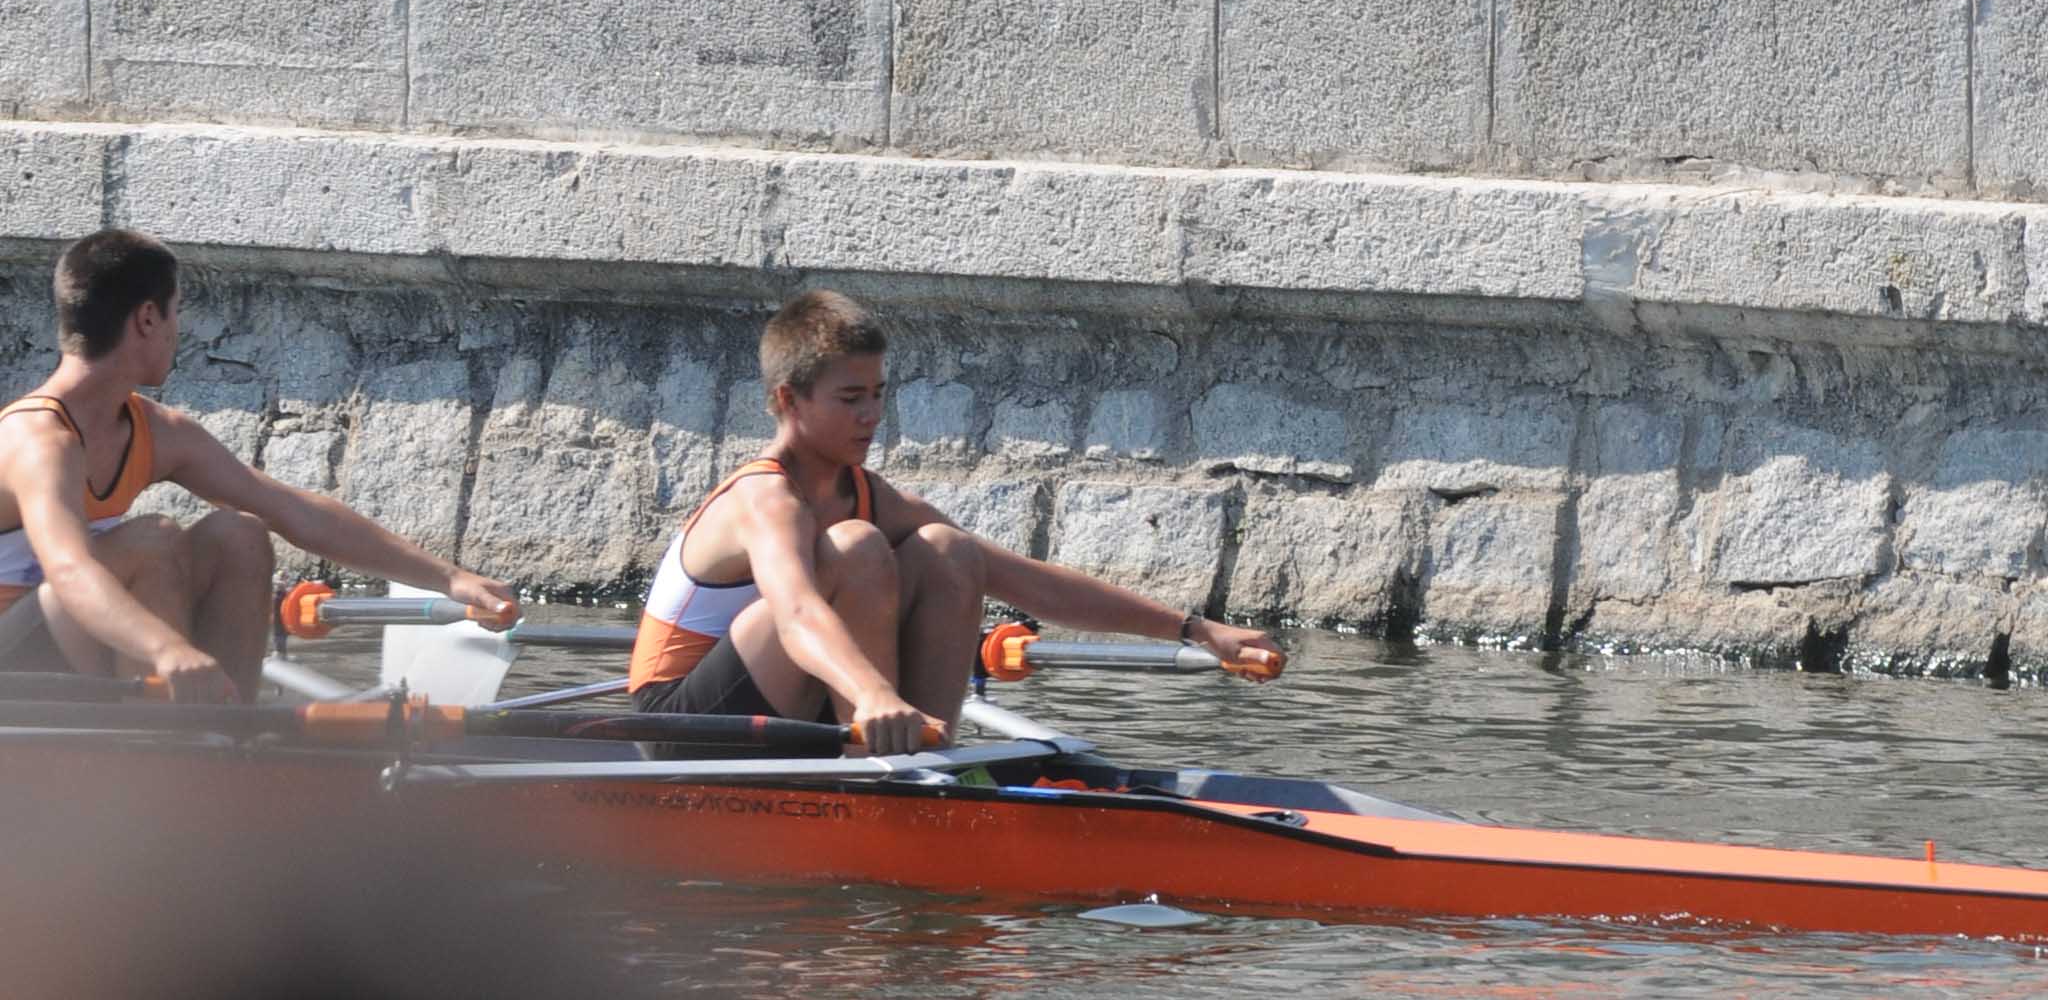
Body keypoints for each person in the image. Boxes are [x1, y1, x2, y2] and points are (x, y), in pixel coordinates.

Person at [627, 288, 1281, 747]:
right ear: (788, 400)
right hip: (676, 724)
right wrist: (874, 693)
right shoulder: (763, 498)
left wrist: (1196, 630)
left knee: (950, 549)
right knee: (855, 547)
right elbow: (797, 612)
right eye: (850, 398)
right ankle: (875, 758)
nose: (871, 416)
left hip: (794, 703)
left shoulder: (870, 494)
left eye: (878, 393)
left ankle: (918, 762)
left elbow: (1030, 584)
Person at [0, 228, 513, 701]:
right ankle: (152, 737)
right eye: (178, 313)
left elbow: (298, 513)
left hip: (74, 640)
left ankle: (225, 730)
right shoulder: (38, 439)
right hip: (15, 669)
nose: (179, 331)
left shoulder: (155, 431)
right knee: (152, 539)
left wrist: (449, 578)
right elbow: (70, 570)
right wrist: (167, 648)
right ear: (148, 319)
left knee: (239, 533)